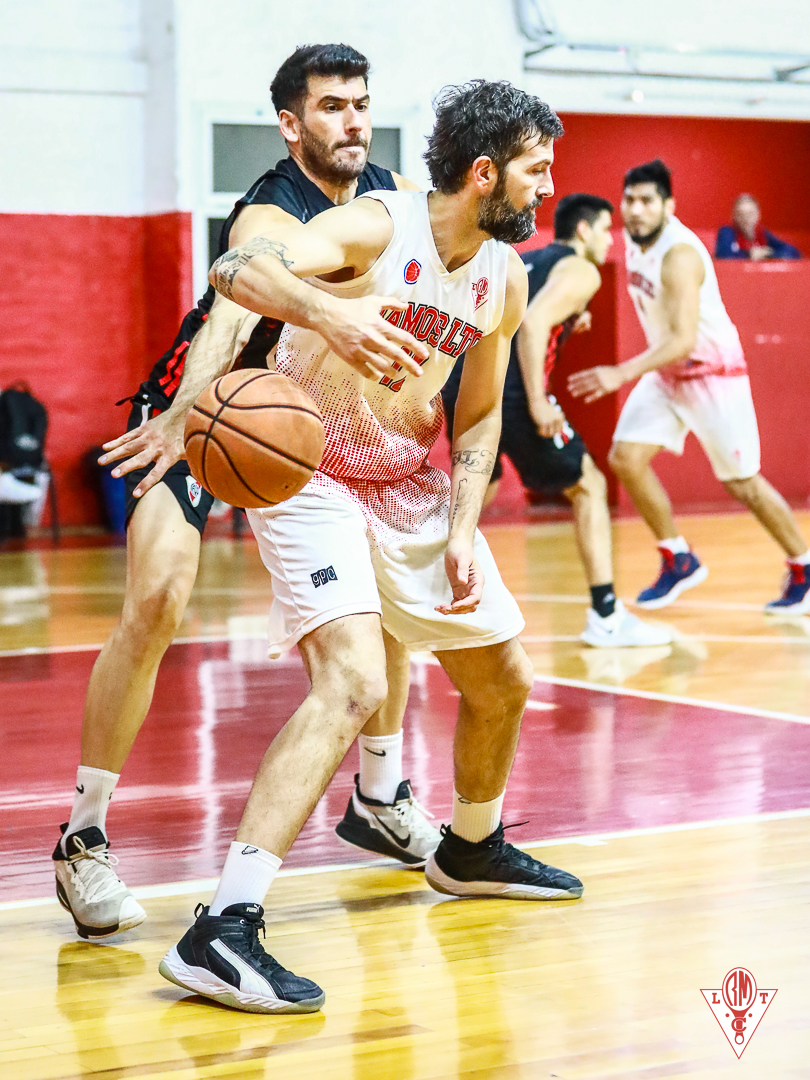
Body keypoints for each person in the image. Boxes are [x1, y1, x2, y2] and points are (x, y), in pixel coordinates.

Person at [157, 79, 584, 1016]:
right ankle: (221, 928)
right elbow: (239, 268)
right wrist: (329, 312)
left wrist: (464, 525)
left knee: (504, 678)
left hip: (403, 478)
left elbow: (479, 417)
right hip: (308, 468)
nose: (549, 187)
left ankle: (469, 848)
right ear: (485, 174)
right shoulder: (378, 228)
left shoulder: (504, 275)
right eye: (537, 169)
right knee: (351, 681)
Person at [52, 44, 441, 945]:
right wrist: (180, 417)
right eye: (333, 106)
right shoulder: (271, 205)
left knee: (380, 596)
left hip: (311, 429)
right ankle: (82, 838)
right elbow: (230, 315)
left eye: (361, 103)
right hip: (213, 409)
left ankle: (380, 793)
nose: (353, 119)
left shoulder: (389, 198)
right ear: (291, 124)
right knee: (157, 598)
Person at [568, 160, 810, 614]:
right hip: (668, 374)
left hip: (711, 375)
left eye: (647, 201)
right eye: (630, 200)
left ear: (669, 206)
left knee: (742, 483)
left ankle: (804, 566)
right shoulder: (635, 242)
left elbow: (682, 340)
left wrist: (620, 373)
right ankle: (678, 557)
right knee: (625, 458)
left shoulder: (679, 254)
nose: (636, 210)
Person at [442, 193, 671, 647]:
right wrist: (538, 400)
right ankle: (606, 614)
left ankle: (417, 583)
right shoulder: (582, 270)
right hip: (510, 394)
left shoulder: (531, 260)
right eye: (605, 230)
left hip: (461, 381)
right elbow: (532, 323)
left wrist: (568, 319)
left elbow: (514, 312)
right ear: (583, 230)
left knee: (480, 487)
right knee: (589, 485)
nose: (610, 241)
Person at [715, 194, 801, 261]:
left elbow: (793, 252)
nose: (745, 218)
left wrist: (768, 253)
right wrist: (749, 255)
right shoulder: (727, 231)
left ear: (758, 215)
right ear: (733, 216)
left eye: (750, 214)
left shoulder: (762, 233)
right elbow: (723, 255)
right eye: (740, 214)